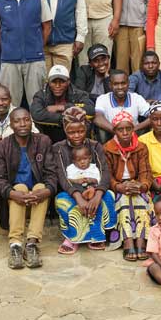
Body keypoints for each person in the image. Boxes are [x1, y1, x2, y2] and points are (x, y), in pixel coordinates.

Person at [0, 108, 56, 269]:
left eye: (26, 120)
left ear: (31, 122)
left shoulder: (43, 141)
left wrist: (47, 191)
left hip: (37, 199)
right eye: (17, 121)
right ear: (11, 125)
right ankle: (15, 245)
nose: (23, 124)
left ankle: (32, 243)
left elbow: (52, 173)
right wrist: (13, 194)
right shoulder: (2, 146)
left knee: (42, 186)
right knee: (19, 186)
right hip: (15, 201)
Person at [51, 107, 116, 254]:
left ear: (86, 128)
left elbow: (104, 171)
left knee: (108, 196)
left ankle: (97, 236)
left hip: (94, 188)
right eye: (71, 132)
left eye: (80, 131)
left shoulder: (95, 146)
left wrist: (98, 194)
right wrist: (79, 197)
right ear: (65, 131)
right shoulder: (58, 148)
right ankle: (73, 238)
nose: (76, 135)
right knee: (62, 200)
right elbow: (61, 176)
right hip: (72, 191)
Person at [104, 110, 154, 260]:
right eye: (120, 129)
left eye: (128, 128)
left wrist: (142, 186)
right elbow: (107, 176)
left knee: (139, 199)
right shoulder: (107, 148)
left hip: (136, 184)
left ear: (133, 129)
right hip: (118, 186)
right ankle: (127, 240)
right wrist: (118, 187)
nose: (125, 132)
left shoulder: (141, 147)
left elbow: (146, 172)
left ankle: (140, 239)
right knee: (124, 200)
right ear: (115, 131)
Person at [30, 64, 95, 144]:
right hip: (49, 136)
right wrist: (68, 117)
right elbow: (37, 114)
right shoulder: (41, 95)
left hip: (76, 136)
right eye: (54, 82)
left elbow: (90, 110)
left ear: (68, 82)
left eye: (62, 82)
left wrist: (63, 107)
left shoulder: (78, 94)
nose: (58, 85)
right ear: (48, 82)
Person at [94, 69, 151, 137]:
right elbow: (98, 118)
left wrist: (133, 130)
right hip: (111, 137)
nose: (120, 87)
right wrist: (118, 132)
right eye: (116, 84)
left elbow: (153, 116)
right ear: (110, 85)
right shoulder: (102, 99)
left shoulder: (136, 98)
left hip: (134, 136)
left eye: (123, 83)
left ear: (128, 83)